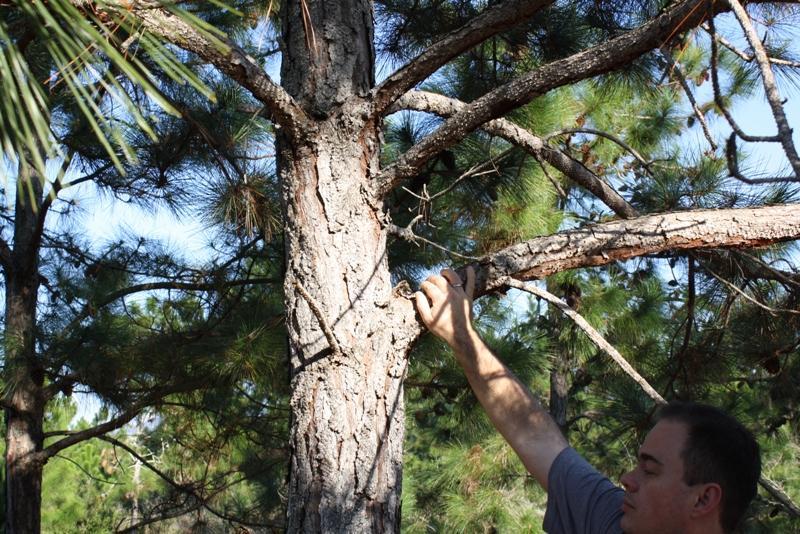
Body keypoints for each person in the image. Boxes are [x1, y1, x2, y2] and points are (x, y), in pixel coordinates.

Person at [414, 267, 761, 534]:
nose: (627, 478)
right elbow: (535, 435)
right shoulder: (611, 518)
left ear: (703, 499)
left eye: (651, 470)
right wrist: (461, 335)